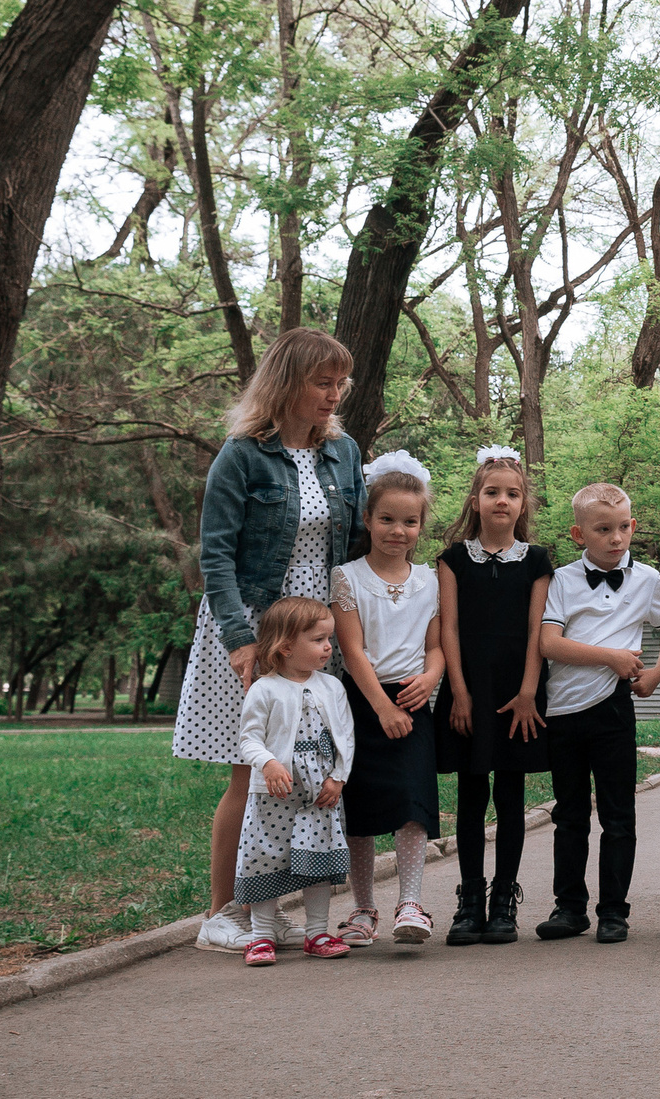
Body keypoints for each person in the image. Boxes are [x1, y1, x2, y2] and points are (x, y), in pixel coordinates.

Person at [174, 329, 364, 955]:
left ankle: (272, 912)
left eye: (340, 383)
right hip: (253, 629)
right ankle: (222, 913)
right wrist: (239, 638)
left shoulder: (343, 454)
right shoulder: (242, 454)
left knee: (306, 771)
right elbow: (217, 555)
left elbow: (352, 544)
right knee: (250, 773)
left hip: (315, 631)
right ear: (286, 382)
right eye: (322, 382)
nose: (334, 395)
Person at [535, 482, 660, 944]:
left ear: (631, 526)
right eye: (602, 530)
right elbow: (549, 644)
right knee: (570, 815)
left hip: (614, 709)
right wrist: (611, 656)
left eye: (622, 528)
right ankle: (568, 908)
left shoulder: (648, 580)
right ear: (579, 535)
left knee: (619, 815)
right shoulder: (562, 581)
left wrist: (656, 671)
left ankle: (614, 911)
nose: (616, 538)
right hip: (565, 712)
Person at [432, 446, 554, 946]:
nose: (502, 500)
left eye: (512, 493)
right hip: (470, 690)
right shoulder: (453, 559)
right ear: (476, 500)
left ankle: (504, 899)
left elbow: (537, 634)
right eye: (492, 492)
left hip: (517, 691)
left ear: (523, 504)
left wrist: (528, 692)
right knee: (470, 795)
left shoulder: (539, 562)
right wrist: (458, 692)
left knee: (509, 795)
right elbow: (449, 630)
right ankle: (469, 900)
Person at [331, 453, 444, 948]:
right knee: (361, 808)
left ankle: (411, 902)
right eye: (387, 519)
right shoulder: (347, 576)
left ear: (421, 525)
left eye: (410, 522)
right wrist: (381, 706)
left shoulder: (430, 581)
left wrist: (431, 678)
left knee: (411, 801)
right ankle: (362, 909)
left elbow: (436, 646)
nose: (398, 531)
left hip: (415, 700)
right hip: (363, 701)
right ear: (368, 519)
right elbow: (351, 650)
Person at [233, 597, 357, 965]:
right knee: (265, 859)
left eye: (328, 640)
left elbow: (345, 736)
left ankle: (317, 932)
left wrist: (338, 777)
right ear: (286, 646)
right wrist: (268, 763)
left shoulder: (332, 687)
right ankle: (260, 937)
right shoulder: (265, 689)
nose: (327, 648)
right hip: (274, 793)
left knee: (317, 860)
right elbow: (248, 739)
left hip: (319, 792)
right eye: (318, 640)